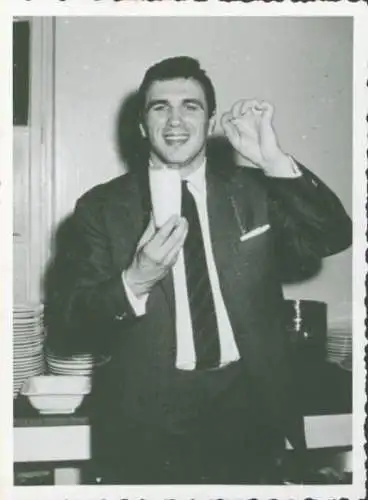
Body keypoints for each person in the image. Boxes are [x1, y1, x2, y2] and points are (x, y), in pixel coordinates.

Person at [46, 56, 352, 484]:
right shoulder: (100, 209)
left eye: (190, 106)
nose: (175, 119)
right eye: (159, 107)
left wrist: (274, 159)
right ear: (140, 125)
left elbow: (333, 235)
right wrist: (136, 279)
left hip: (248, 409)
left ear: (210, 123)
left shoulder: (254, 193)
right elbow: (68, 320)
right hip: (147, 420)